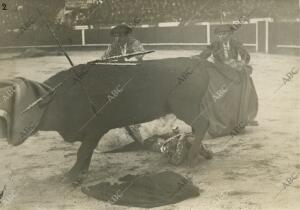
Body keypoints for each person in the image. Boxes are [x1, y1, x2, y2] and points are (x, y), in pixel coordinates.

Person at [194, 24, 258, 138]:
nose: (222, 37)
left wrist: (241, 63)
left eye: (224, 34)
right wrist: (197, 58)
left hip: (233, 69)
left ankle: (243, 117)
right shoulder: (214, 44)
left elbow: (245, 55)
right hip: (219, 69)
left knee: (245, 83)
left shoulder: (235, 43)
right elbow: (203, 55)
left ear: (229, 34)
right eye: (219, 35)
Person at [102, 23, 144, 143]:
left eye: (121, 34)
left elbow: (140, 57)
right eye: (116, 35)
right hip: (120, 78)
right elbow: (104, 57)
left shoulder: (134, 43)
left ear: (127, 35)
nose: (118, 37)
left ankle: (136, 127)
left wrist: (131, 56)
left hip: (134, 77)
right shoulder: (114, 45)